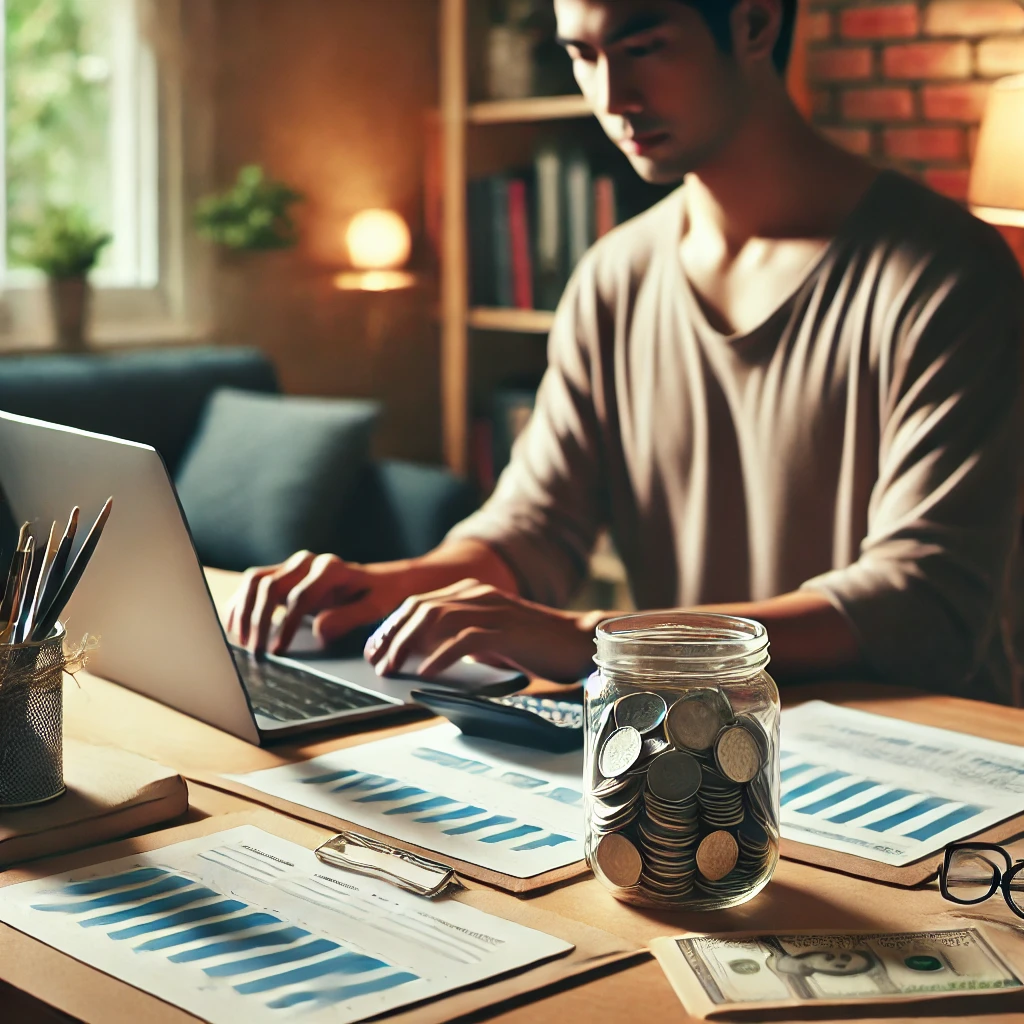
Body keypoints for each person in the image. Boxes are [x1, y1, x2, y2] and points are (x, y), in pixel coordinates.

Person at [228, 0, 1024, 703]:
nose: (612, 97)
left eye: (643, 46)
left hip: (924, 762)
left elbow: (920, 604)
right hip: (693, 745)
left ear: (753, 23)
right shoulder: (615, 274)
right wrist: (384, 588)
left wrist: (597, 640)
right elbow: (535, 526)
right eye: (582, 55)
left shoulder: (947, 273)